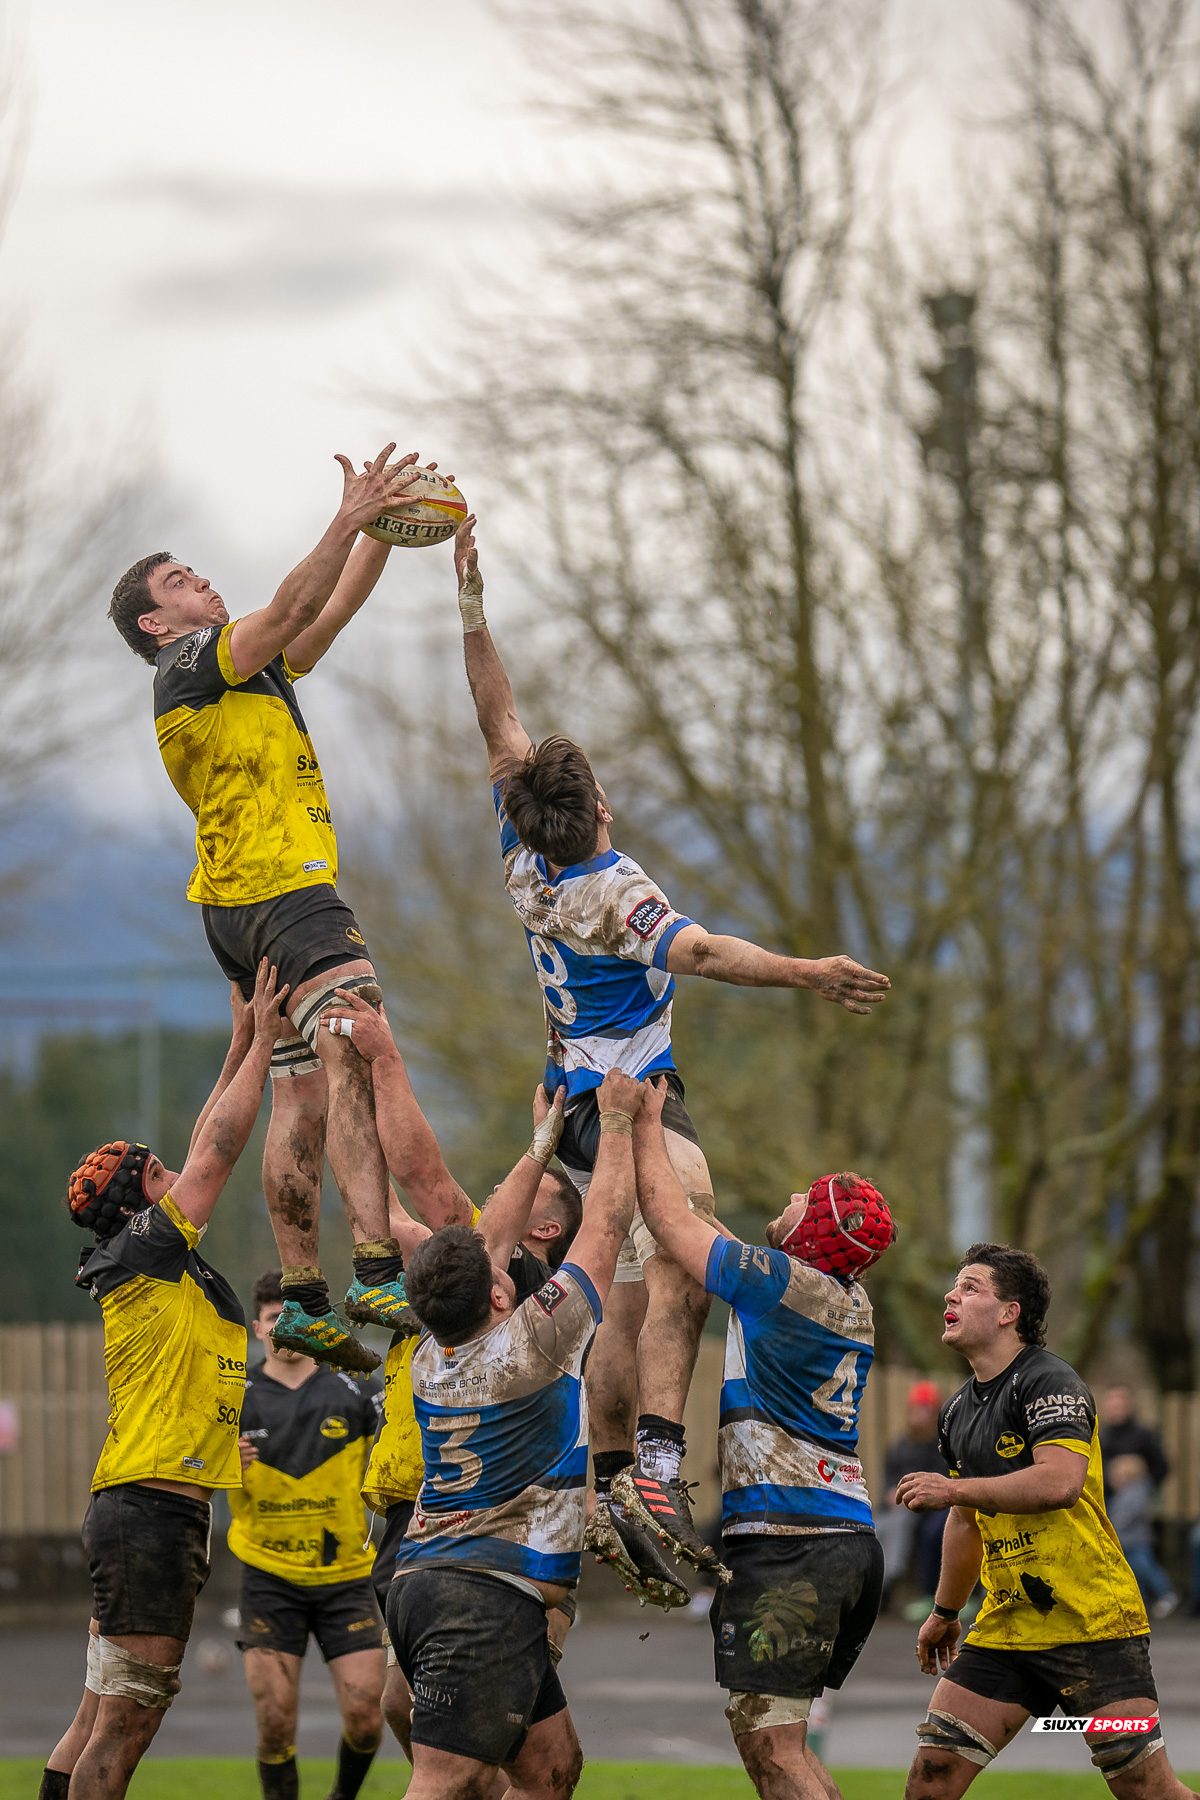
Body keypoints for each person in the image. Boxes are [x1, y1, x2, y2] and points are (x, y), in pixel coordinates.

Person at [450, 514, 892, 1593]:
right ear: (599, 804)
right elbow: (701, 952)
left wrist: (470, 605)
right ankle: (654, 1464)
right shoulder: (614, 888)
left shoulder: (522, 850)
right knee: (685, 1250)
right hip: (628, 1093)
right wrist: (810, 971)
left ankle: (610, 1481)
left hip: (563, 1094)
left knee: (618, 1287)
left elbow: (497, 716)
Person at [107, 444, 439, 1372]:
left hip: (234, 911)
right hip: (283, 892)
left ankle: (302, 1298)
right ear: (154, 621)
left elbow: (322, 618)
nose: (202, 581)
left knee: (297, 1082)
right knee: (357, 1047)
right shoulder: (187, 663)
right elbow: (292, 606)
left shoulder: (245, 669)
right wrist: (348, 514)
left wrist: (382, 529)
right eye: (180, 581)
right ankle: (375, 1268)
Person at [40, 962, 288, 1800]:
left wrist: (242, 1039)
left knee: (97, 1717)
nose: (176, 1171)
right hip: (149, 1512)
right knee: (126, 1724)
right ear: (142, 1199)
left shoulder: (148, 1256)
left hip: (142, 1507)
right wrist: (268, 1048)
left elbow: (203, 1140)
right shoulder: (146, 1251)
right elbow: (217, 1151)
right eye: (158, 1171)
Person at [320, 989, 590, 1747]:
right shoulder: (472, 1272)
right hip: (428, 1509)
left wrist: (382, 1057)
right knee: (412, 1709)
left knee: (470, 1730)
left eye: (513, 1192)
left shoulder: (522, 1282)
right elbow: (385, 1210)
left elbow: (424, 1177)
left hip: (488, 1526)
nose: (495, 1196)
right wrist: (340, 1090)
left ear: (545, 1227)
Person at [385, 1068, 646, 1800]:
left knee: (551, 1770)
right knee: (445, 1784)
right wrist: (616, 1121)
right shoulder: (536, 1341)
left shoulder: (431, 1353)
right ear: (500, 1293)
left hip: (437, 1581)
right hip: (480, 1596)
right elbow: (604, 1226)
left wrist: (542, 1143)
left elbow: (488, 1242)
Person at [632, 1076, 895, 1800]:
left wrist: (644, 1122)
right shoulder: (844, 1298)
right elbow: (713, 1239)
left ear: (812, 1233)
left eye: (804, 1199)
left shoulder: (779, 1282)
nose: (790, 1198)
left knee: (773, 1752)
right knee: (784, 1743)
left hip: (792, 1542)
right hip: (843, 1538)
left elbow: (671, 1221)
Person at [899, 1244, 1195, 1800]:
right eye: (954, 1285)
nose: (951, 1295)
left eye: (970, 1287)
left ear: (1009, 1312)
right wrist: (944, 1611)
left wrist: (952, 1488)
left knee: (1147, 1790)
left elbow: (1059, 1484)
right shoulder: (956, 1411)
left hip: (1093, 1624)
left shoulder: (1050, 1381)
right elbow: (964, 1522)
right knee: (931, 1778)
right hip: (1007, 1627)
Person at [231, 1270, 386, 1800]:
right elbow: (192, 1466)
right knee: (275, 1722)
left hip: (346, 1575)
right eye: (275, 1319)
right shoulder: (235, 1398)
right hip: (268, 1575)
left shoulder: (356, 1386)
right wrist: (223, 1462)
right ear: (258, 1328)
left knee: (367, 1715)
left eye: (294, 1317)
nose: (285, 1329)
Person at [879, 1381, 950, 1612]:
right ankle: (877, 1581)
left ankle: (890, 1580)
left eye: (925, 1410)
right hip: (897, 1506)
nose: (920, 1415)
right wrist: (890, 1493)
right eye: (916, 1409)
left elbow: (941, 1477)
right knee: (878, 1527)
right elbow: (889, 1477)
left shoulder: (940, 1444)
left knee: (914, 1529)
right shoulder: (901, 1444)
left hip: (925, 1506)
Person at [1107, 1455, 1180, 1621]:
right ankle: (1140, 1601)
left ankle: (1166, 1593)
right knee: (1134, 1573)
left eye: (1117, 1476)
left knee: (1146, 1568)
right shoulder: (1125, 1492)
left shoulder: (1136, 1492)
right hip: (1127, 1541)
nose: (1112, 1481)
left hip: (1137, 1541)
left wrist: (1114, 1525)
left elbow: (1127, 1514)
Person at [1100, 1386, 1170, 1493]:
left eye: (1120, 1402)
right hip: (1105, 1490)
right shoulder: (1099, 1436)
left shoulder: (1144, 1435)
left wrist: (1141, 1475)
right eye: (1113, 1402)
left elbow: (1161, 1466)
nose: (1116, 1405)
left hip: (1135, 1489)